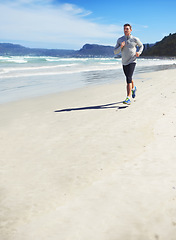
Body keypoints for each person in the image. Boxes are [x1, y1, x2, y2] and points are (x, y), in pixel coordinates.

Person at [114, 23, 143, 104]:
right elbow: (115, 51)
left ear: (131, 30)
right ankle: (133, 89)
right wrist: (121, 47)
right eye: (124, 29)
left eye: (127, 28)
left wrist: (139, 52)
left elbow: (141, 46)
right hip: (124, 62)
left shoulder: (135, 39)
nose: (125, 30)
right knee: (128, 77)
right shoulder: (120, 40)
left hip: (132, 61)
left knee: (128, 79)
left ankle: (128, 97)